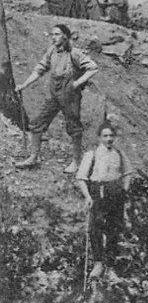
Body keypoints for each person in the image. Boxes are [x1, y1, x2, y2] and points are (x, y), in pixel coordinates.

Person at [15, 23, 98, 173]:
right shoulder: (51, 51)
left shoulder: (75, 53)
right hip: (54, 94)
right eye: (52, 34)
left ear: (65, 37)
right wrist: (24, 84)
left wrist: (77, 83)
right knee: (37, 122)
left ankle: (76, 162)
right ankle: (34, 157)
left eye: (57, 34)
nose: (53, 38)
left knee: (74, 128)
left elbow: (93, 67)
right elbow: (39, 69)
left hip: (70, 96)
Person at [76, 120, 133, 278]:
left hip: (115, 193)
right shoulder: (92, 154)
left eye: (111, 136)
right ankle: (98, 264)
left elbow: (128, 172)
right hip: (98, 192)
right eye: (105, 136)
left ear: (115, 137)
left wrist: (124, 190)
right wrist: (87, 196)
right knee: (96, 228)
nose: (109, 139)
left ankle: (111, 266)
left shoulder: (119, 153)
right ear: (99, 137)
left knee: (114, 229)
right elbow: (81, 177)